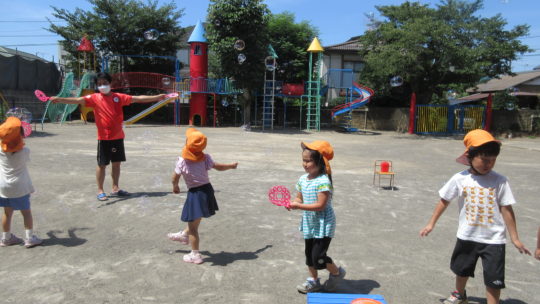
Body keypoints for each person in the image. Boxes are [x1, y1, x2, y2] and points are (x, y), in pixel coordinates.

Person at [420, 129, 531, 304]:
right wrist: (431, 223)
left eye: (493, 160)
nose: (489, 164)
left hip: (494, 239)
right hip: (467, 235)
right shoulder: (459, 179)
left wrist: (515, 238)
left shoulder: (500, 181)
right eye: (485, 160)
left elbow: (507, 209)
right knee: (462, 269)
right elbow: (444, 200)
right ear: (470, 157)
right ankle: (459, 294)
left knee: (494, 279)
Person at [50, 72, 166, 201]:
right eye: (99, 84)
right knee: (102, 165)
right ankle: (100, 190)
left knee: (117, 164)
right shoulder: (94, 98)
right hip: (104, 138)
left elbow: (137, 98)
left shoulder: (118, 97)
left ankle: (115, 188)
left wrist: (157, 97)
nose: (102, 86)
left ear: (110, 83)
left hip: (118, 137)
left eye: (105, 83)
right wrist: (60, 99)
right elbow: (78, 100)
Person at [167, 128, 237, 264]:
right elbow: (219, 167)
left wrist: (175, 186)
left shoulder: (182, 161)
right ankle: (183, 235)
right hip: (207, 190)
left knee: (193, 227)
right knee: (196, 219)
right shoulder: (205, 158)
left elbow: (175, 177)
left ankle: (195, 254)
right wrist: (230, 166)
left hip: (195, 193)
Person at [289, 140, 345, 294]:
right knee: (309, 255)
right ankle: (314, 282)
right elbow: (299, 198)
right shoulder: (302, 179)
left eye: (308, 161)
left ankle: (337, 273)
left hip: (323, 224)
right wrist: (294, 203)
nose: (305, 164)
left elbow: (320, 205)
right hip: (309, 223)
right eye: (303, 160)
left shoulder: (323, 181)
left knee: (318, 256)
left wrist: (298, 206)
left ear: (319, 162)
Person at [0, 117, 42, 248]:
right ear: (21, 137)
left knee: (7, 213)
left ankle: (6, 238)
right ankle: (29, 238)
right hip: (20, 187)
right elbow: (19, 147)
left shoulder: (1, 151)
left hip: (4, 187)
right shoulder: (24, 151)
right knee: (26, 212)